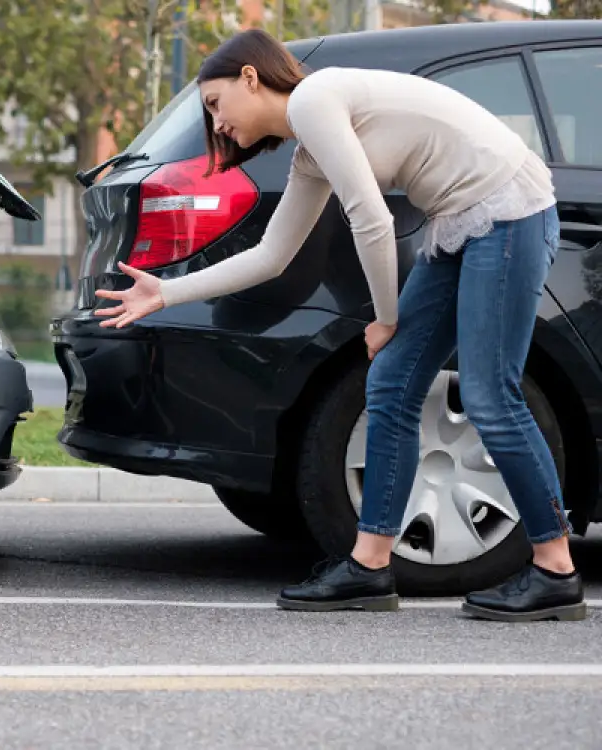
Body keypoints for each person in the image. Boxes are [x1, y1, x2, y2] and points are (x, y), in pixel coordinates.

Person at [94, 29, 584, 623]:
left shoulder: (314, 99)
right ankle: (370, 565)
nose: (216, 124)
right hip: (463, 224)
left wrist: (384, 319)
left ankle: (555, 569)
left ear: (251, 77)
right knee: (393, 384)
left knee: (488, 393)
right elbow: (271, 256)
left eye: (216, 104)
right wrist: (166, 291)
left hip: (508, 213)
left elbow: (372, 222)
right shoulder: (310, 147)